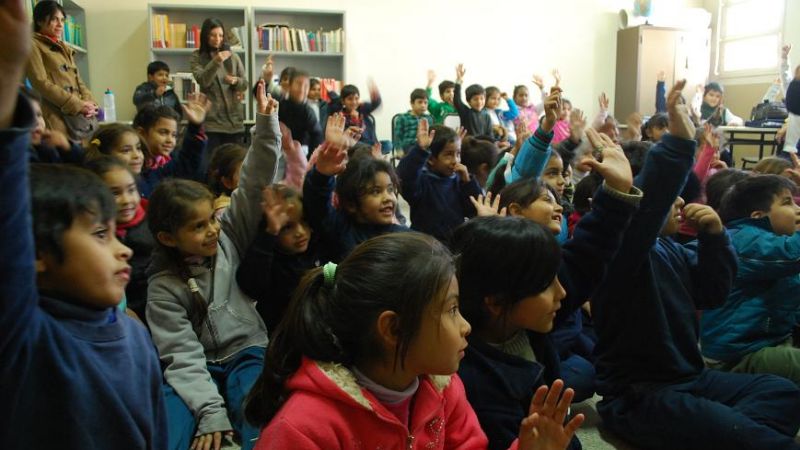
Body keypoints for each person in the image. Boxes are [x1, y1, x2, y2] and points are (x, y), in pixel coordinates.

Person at [591, 80, 800, 450]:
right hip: (641, 395)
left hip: (691, 378)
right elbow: (647, 206)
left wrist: (715, 237)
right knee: (748, 435)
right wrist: (678, 142)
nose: (679, 204)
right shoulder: (620, 250)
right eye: (671, 197)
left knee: (781, 393)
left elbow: (713, 292)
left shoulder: (670, 248)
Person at [244, 232, 584, 450]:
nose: (466, 326)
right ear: (393, 329)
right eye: (452, 310)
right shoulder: (304, 429)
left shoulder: (444, 389)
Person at [145, 81, 280, 450]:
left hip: (247, 351)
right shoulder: (162, 286)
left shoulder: (228, 236)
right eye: (198, 226)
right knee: (174, 428)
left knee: (258, 421)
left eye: (212, 220)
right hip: (198, 365)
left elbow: (253, 182)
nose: (211, 231)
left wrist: (266, 124)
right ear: (168, 238)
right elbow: (183, 356)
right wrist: (209, 412)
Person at [701, 175, 800, 384]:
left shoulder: (777, 244)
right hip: (736, 355)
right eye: (787, 202)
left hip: (771, 341)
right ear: (758, 215)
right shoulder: (741, 239)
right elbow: (792, 254)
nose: (797, 209)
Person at [304, 114, 407, 263]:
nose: (388, 198)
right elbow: (317, 202)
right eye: (376, 191)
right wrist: (322, 174)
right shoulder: (338, 229)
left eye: (390, 190)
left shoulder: (401, 236)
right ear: (351, 203)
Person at [397, 122, 482, 242]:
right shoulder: (422, 183)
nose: (455, 160)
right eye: (448, 154)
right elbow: (405, 176)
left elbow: (474, 210)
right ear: (431, 159)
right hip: (425, 246)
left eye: (458, 154)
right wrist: (421, 150)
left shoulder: (460, 181)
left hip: (453, 244)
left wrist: (467, 182)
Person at [26, 0, 97, 139]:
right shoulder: (32, 45)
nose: (60, 25)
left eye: (62, 20)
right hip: (54, 114)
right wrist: (76, 104)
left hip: (78, 116)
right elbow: (40, 82)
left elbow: (78, 81)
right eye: (54, 20)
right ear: (40, 20)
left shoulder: (64, 47)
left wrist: (90, 103)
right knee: (65, 154)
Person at [191, 17, 249, 174]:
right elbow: (203, 80)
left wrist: (235, 80)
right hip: (213, 124)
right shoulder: (198, 57)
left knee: (235, 167)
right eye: (213, 35)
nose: (217, 39)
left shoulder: (233, 57)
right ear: (205, 36)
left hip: (234, 122)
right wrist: (216, 61)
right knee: (212, 168)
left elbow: (245, 84)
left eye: (221, 35)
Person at [453, 64, 492, 138]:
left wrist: (496, 143)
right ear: (468, 101)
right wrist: (458, 82)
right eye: (475, 99)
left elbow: (489, 135)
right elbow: (457, 100)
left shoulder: (487, 116)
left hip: (483, 145)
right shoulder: (466, 112)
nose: (479, 102)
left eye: (482, 98)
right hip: (469, 145)